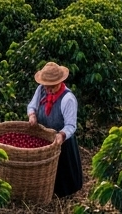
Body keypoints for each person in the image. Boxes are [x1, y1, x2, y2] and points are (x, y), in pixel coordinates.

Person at [26, 61, 83, 197]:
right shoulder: (41, 90)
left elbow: (70, 125)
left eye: (52, 86)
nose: (48, 89)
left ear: (60, 82)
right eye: (47, 86)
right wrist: (32, 115)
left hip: (62, 142)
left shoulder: (68, 99)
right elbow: (32, 106)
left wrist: (61, 135)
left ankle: (65, 196)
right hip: (43, 139)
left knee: (63, 175)